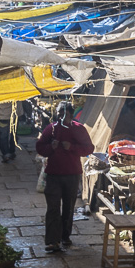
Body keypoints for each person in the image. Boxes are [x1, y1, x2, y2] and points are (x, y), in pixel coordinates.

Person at [36, 102, 94, 253]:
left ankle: (65, 236)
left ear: (71, 114)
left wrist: (72, 147)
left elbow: (89, 148)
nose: (62, 117)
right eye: (59, 114)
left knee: (68, 208)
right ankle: (52, 241)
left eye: (65, 114)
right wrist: (51, 147)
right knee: (53, 208)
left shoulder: (78, 129)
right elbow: (40, 147)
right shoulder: (51, 128)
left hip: (72, 175)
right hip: (54, 174)